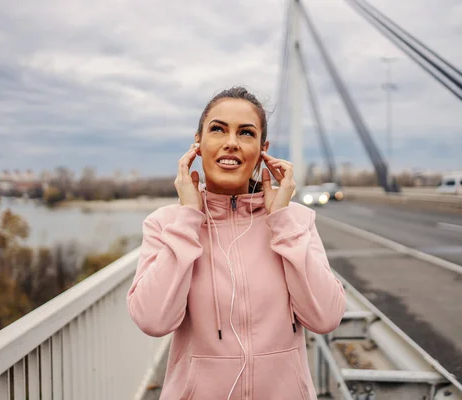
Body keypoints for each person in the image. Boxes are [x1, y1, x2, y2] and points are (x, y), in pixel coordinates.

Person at [126, 86, 346, 400]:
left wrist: (281, 220)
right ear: (198, 143)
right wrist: (189, 218)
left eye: (245, 133)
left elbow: (325, 317)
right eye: (218, 129)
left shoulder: (296, 221)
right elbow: (152, 320)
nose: (231, 143)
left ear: (262, 149)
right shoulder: (166, 224)